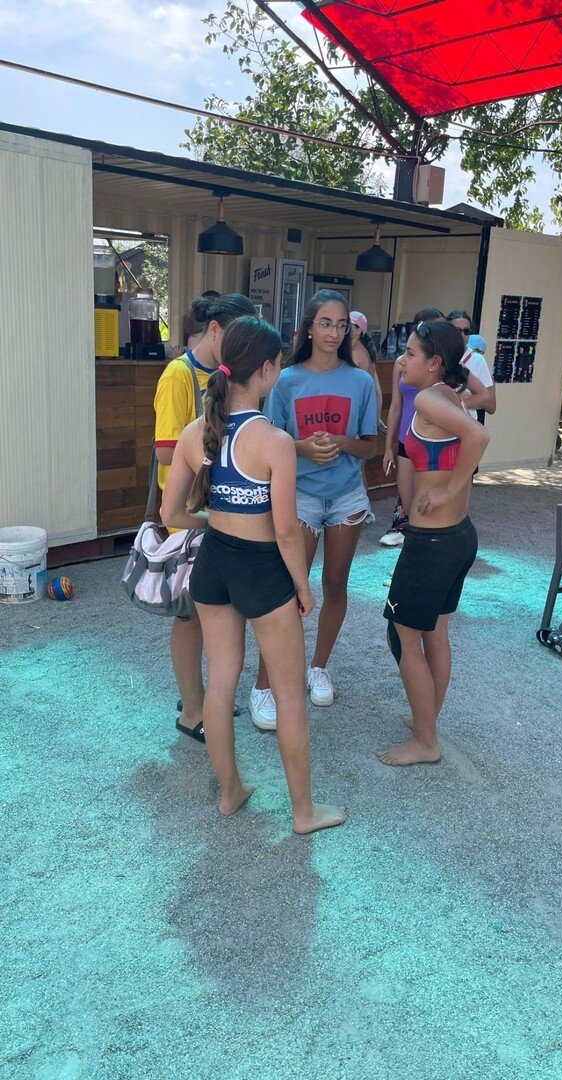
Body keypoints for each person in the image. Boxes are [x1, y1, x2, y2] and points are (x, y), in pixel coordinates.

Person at [160, 315, 346, 834]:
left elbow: (171, 513)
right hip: (261, 571)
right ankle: (304, 811)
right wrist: (303, 587)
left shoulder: (196, 431)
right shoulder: (274, 440)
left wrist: (214, 523)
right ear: (266, 370)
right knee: (289, 696)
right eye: (279, 363)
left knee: (220, 684)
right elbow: (286, 531)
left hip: (214, 565)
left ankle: (230, 793)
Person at [250, 289, 377, 727]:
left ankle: (318, 667)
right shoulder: (286, 381)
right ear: (308, 327)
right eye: (326, 323)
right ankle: (264, 684)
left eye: (342, 325)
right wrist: (303, 447)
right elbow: (269, 440)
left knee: (336, 585)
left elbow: (369, 446)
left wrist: (342, 443)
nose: (334, 332)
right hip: (299, 495)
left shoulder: (361, 382)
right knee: (288, 591)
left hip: (346, 497)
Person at [377, 320, 490, 767]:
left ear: (434, 362)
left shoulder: (428, 398)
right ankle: (427, 722)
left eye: (410, 353)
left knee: (402, 635)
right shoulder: (447, 396)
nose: (401, 360)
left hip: (433, 542)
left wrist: (446, 490)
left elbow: (479, 436)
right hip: (457, 536)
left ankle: (426, 741)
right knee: (435, 633)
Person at [154, 293, 257, 742]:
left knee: (213, 613)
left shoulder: (228, 377)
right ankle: (192, 709)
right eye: (237, 338)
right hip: (188, 517)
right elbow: (164, 451)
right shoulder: (178, 374)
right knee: (189, 615)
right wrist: (217, 450)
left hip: (219, 512)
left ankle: (204, 696)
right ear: (214, 331)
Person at [380, 308, 445, 548]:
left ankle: (425, 545)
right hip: (405, 438)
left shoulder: (443, 364)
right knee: (407, 499)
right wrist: (388, 446)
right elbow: (396, 406)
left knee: (428, 499)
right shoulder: (401, 363)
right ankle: (410, 538)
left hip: (432, 439)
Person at [349, 311, 387, 433]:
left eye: (348, 325)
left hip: (355, 411)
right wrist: (376, 417)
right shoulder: (366, 351)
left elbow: (360, 390)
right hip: (362, 410)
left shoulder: (356, 353)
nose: (344, 328)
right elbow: (377, 390)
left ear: (358, 330)